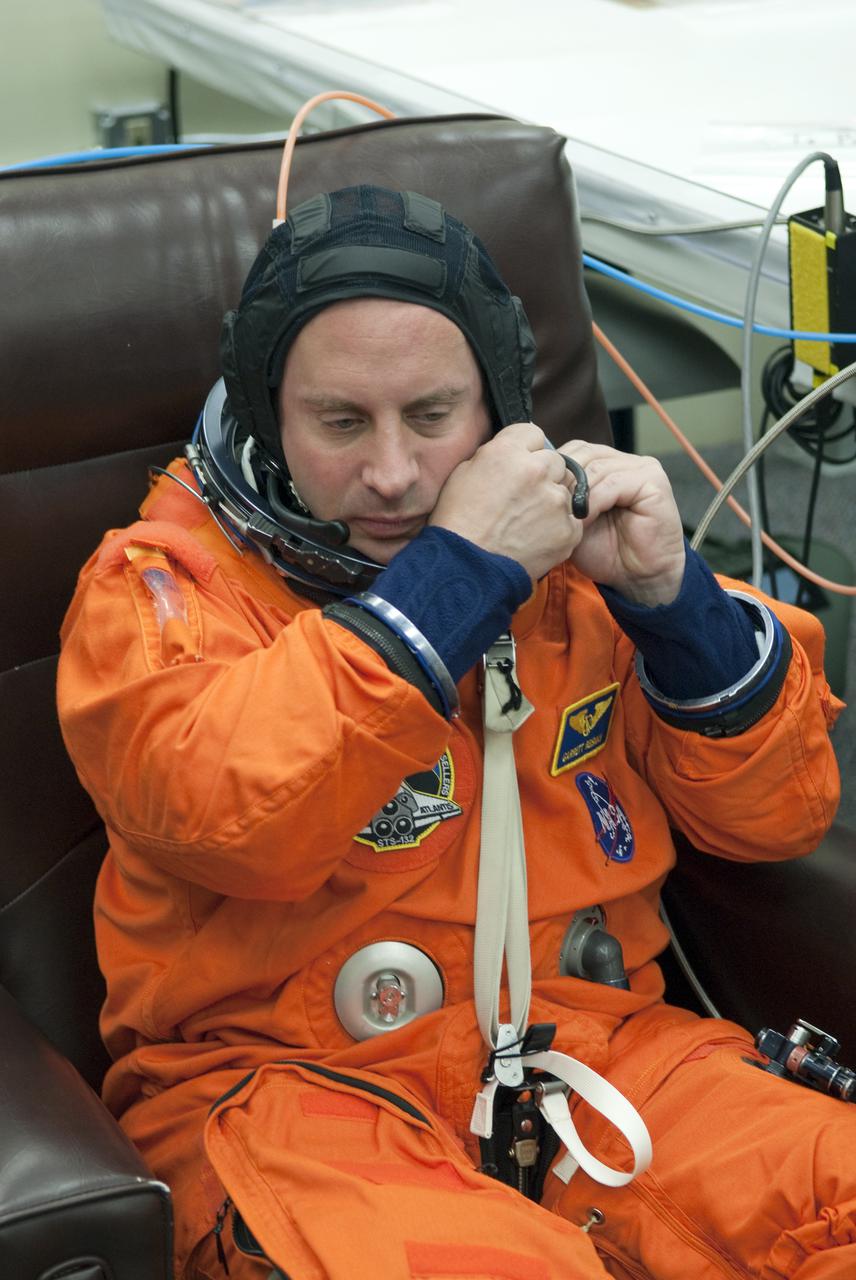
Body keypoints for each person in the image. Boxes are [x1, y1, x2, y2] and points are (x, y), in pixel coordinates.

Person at [57, 184, 852, 1280]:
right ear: (269, 417)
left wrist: (676, 609)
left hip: (589, 1048)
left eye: (432, 417)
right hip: (293, 1092)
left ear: (497, 413)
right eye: (340, 422)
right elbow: (230, 816)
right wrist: (448, 588)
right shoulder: (164, 593)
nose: (391, 472)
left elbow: (777, 816)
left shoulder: (571, 565)